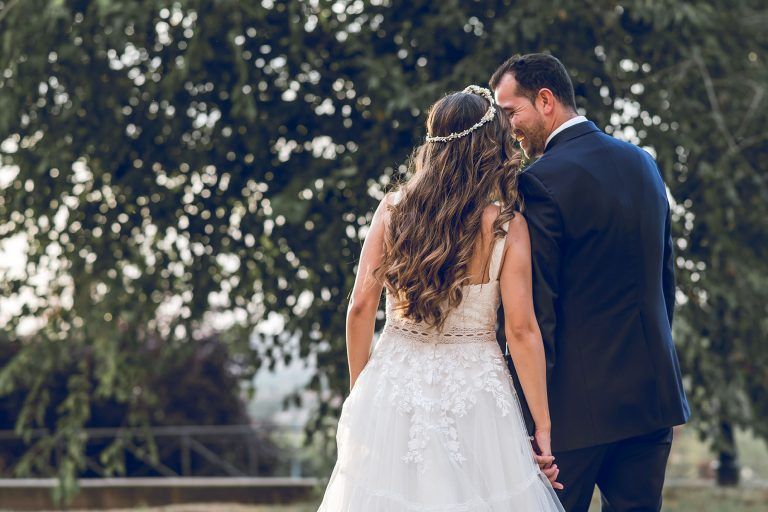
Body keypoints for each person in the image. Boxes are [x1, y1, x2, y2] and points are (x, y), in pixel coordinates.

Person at [317, 85, 565, 511]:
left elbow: (360, 307)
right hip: (476, 394)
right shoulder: (506, 226)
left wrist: (363, 392)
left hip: (394, 385)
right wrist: (542, 425)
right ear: (489, 148)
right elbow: (522, 331)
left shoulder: (393, 210)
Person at [490, 53, 691, 512]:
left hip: (572, 417)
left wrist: (531, 419)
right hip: (650, 403)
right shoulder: (644, 164)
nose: (507, 128)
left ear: (545, 101)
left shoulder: (538, 182)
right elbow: (664, 283)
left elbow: (537, 313)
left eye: (509, 113)